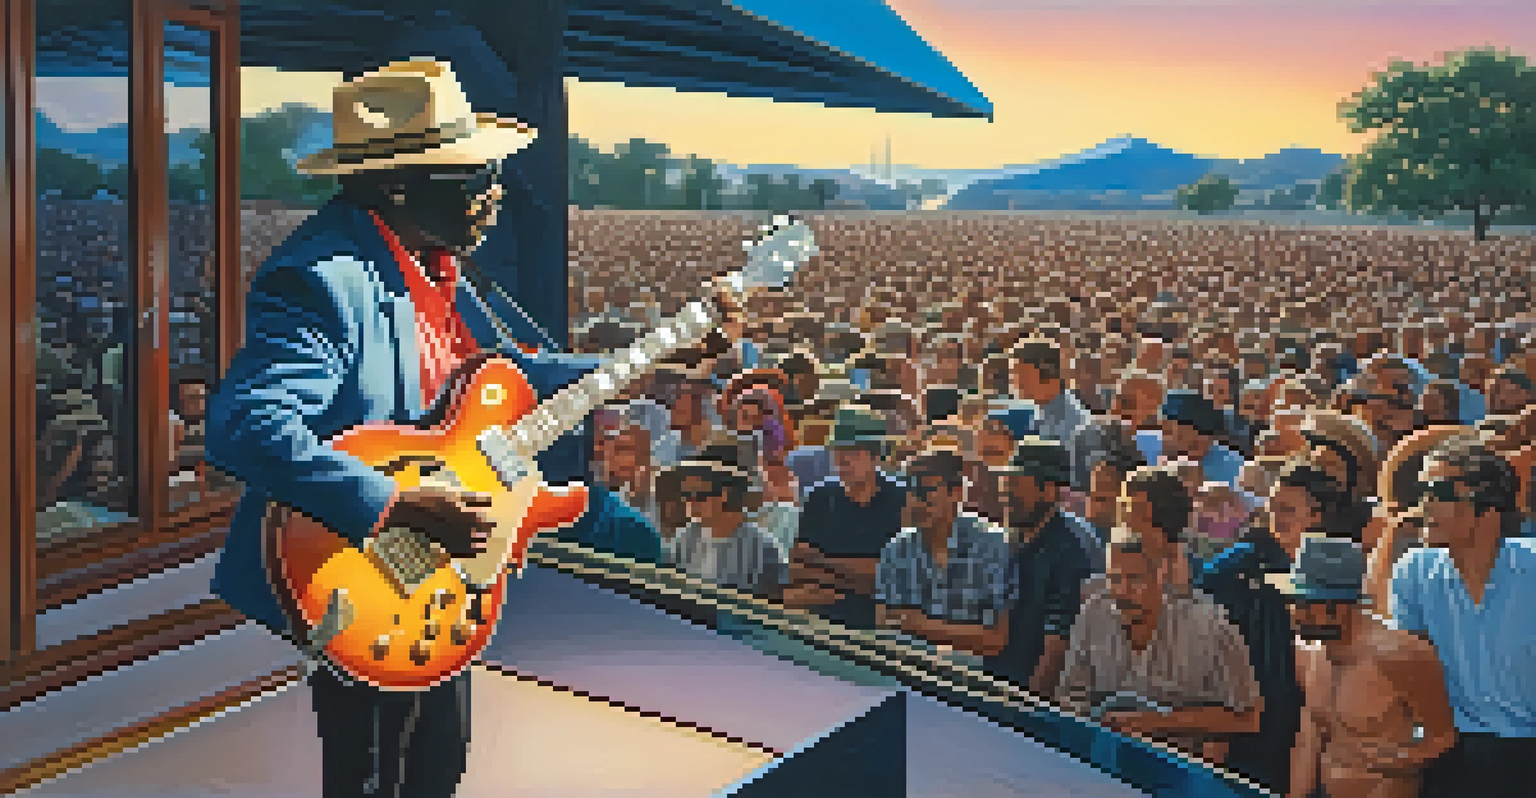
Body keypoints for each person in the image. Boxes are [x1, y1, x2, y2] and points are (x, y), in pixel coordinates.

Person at [204, 59, 741, 798]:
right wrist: (392, 505)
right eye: (472, 175)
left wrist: (658, 358)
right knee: (368, 776)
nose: (495, 192)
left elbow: (511, 380)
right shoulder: (323, 279)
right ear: (398, 184)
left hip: (433, 575)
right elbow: (246, 424)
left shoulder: (435, 265)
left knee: (435, 765)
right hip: (350, 567)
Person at [1390, 435, 1536, 796]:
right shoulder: (1413, 570)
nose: (1424, 504)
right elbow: (1409, 671)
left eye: (1438, 492)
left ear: (1488, 506)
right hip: (1449, 752)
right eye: (1422, 491)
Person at [1195, 458, 1349, 794]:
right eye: (1273, 507)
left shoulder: (1336, 571)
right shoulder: (1235, 569)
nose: (1277, 518)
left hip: (1306, 724)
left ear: (1317, 516)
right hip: (1249, 723)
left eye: (1288, 510)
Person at [1055, 523, 1263, 763]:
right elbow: (1070, 700)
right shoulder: (1093, 613)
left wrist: (1157, 722)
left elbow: (1248, 716)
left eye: (1134, 580)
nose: (1122, 591)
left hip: (1180, 768)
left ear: (1161, 576)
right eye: (1114, 579)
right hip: (1102, 762)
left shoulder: (1209, 628)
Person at [1284, 537, 1457, 798]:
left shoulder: (1401, 655)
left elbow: (1443, 738)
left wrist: (1394, 760)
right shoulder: (1309, 652)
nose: (1296, 613)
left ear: (1340, 608)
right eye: (1294, 601)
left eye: (1306, 605)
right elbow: (1310, 736)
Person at [875, 448, 1013, 657]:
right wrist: (962, 634)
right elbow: (885, 630)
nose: (914, 501)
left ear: (956, 492)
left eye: (925, 490)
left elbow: (995, 640)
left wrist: (919, 625)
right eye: (909, 491)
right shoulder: (897, 549)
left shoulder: (993, 546)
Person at [984, 438, 1095, 693]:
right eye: (1006, 484)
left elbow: (1055, 649)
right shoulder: (1004, 541)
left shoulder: (1069, 556)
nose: (1007, 495)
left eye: (1016, 486)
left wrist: (1027, 713)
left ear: (1049, 492)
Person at [786, 405, 907, 629]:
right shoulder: (819, 496)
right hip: (824, 620)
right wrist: (859, 577)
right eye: (837, 452)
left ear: (875, 456)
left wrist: (824, 563)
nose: (842, 461)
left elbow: (894, 575)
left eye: (852, 452)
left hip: (885, 625)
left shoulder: (903, 500)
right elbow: (798, 567)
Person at [664, 440, 788, 599]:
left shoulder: (763, 551)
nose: (689, 501)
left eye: (698, 493)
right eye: (686, 493)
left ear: (725, 493)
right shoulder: (684, 540)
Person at [1010, 337, 1089, 445]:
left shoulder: (1073, 422)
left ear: (1045, 371)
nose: (1014, 381)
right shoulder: (1035, 412)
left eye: (1021, 373)